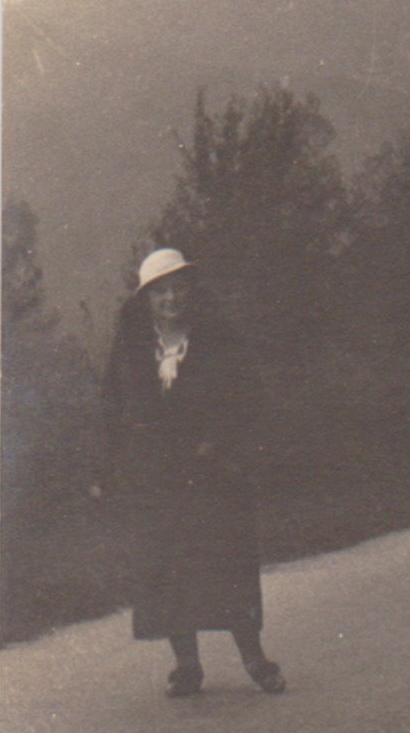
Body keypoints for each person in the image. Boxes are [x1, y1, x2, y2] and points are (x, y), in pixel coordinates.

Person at [93, 248, 283, 697]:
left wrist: (216, 441)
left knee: (225, 564)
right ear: (146, 299)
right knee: (167, 570)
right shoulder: (132, 349)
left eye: (178, 287)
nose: (171, 298)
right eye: (160, 291)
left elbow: (249, 397)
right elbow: (111, 409)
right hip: (155, 478)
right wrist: (102, 470)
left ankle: (255, 660)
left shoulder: (217, 339)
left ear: (191, 291)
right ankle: (188, 666)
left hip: (212, 473)